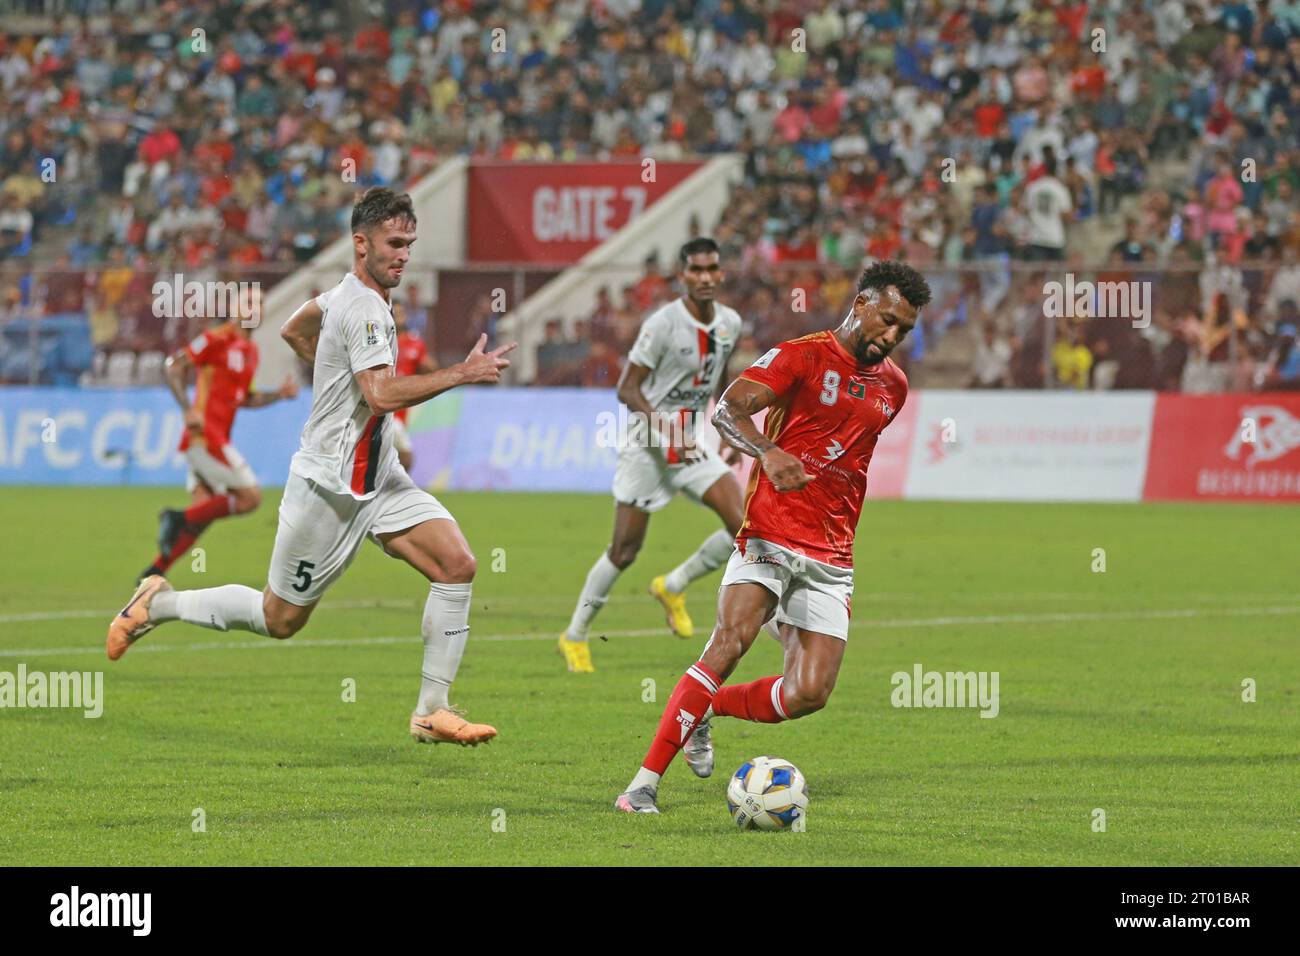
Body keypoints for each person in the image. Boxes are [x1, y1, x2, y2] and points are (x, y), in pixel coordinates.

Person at [107, 188, 516, 747]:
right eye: (394, 244)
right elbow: (379, 395)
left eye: (410, 244)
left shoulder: (341, 296)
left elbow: (294, 330)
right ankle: (159, 601)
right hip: (329, 488)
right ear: (361, 243)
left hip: (378, 477)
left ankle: (431, 710)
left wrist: (331, 371)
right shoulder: (366, 308)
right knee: (279, 620)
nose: (403, 255)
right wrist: (460, 375)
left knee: (457, 564)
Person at [614, 260, 931, 813]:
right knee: (729, 643)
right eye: (886, 320)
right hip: (770, 531)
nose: (891, 336)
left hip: (831, 552)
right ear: (859, 304)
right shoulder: (800, 356)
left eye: (903, 329)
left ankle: (707, 711)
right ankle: (642, 786)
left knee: (809, 692)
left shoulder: (895, 389)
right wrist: (769, 450)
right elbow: (728, 410)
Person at [558, 237, 745, 674]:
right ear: (682, 276)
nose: (704, 277)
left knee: (748, 526)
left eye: (711, 269)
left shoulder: (730, 323)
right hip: (647, 445)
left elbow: (722, 378)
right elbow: (627, 388)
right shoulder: (662, 324)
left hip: (689, 446)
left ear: (720, 273)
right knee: (624, 551)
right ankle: (575, 635)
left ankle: (673, 584)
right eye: (694, 270)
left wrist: (731, 430)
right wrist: (664, 428)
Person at [142, 301, 298, 583]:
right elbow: (173, 366)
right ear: (236, 308)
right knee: (250, 497)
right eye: (248, 302)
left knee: (202, 513)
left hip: (217, 438)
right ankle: (175, 517)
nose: (255, 308)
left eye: (260, 303)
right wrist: (187, 409)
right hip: (204, 437)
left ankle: (154, 572)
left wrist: (279, 394)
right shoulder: (217, 337)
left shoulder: (251, 352)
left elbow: (246, 398)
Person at [391, 299, 437, 471]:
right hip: (385, 409)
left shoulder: (415, 343)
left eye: (401, 314)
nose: (399, 318)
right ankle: (400, 493)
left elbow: (428, 367)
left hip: (402, 411)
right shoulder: (379, 341)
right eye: (395, 314)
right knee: (406, 457)